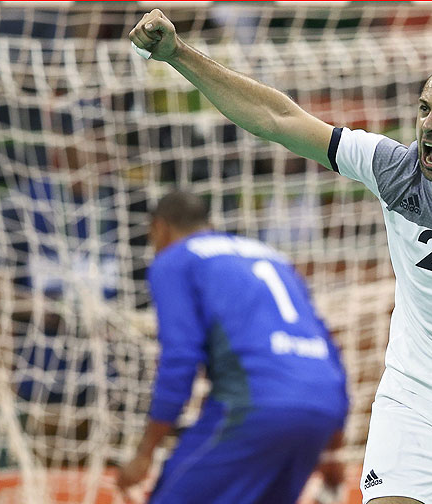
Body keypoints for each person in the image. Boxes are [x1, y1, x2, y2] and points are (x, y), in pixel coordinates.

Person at [129, 10, 432, 504]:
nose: (428, 124)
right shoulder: (396, 170)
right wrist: (179, 56)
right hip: (417, 395)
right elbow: (280, 119)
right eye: (424, 109)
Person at [115, 190, 348, 503]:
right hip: (324, 405)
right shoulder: (271, 255)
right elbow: (329, 352)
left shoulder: (175, 259)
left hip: (257, 405)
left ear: (159, 228)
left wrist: (145, 453)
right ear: (209, 223)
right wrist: (332, 451)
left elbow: (180, 358)